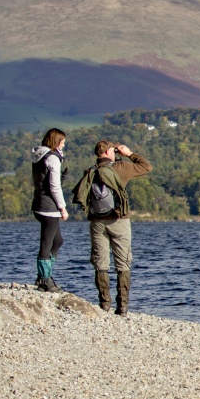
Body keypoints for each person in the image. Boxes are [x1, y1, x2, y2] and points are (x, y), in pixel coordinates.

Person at [71, 140, 152, 314]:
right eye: (113, 151)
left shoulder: (90, 172)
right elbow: (146, 167)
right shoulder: (121, 167)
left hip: (97, 222)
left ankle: (104, 303)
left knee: (101, 263)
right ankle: (122, 306)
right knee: (123, 262)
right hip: (119, 220)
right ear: (109, 152)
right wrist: (128, 153)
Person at [29, 128, 68, 292]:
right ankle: (44, 279)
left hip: (39, 204)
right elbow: (54, 186)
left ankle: (44, 275)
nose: (64, 145)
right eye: (63, 142)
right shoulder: (53, 158)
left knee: (57, 241)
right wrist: (63, 207)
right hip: (49, 207)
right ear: (57, 142)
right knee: (47, 243)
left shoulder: (40, 156)